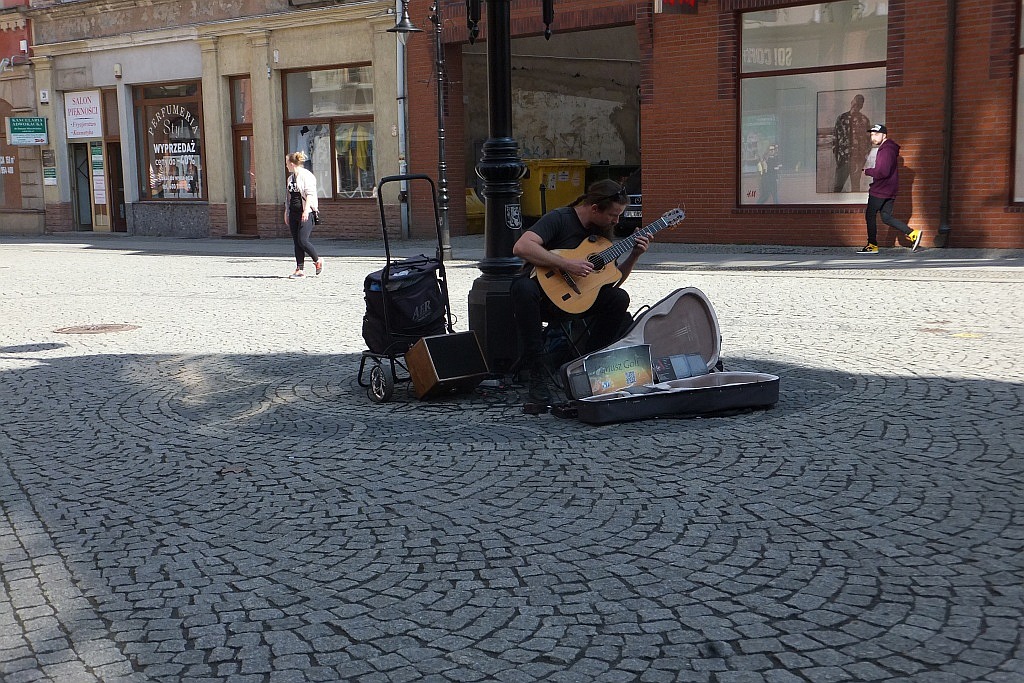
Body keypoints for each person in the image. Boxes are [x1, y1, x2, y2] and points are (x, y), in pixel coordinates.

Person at [510, 179, 651, 406]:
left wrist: (634, 256)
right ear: (594, 208)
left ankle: (590, 366)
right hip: (542, 299)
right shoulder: (559, 218)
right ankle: (537, 371)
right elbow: (522, 247)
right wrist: (566, 264)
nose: (616, 221)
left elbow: (611, 281)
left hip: (578, 300)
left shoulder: (603, 233)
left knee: (619, 299)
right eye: (613, 215)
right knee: (522, 287)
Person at [860, 123, 922, 254]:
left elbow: (883, 172)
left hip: (880, 190)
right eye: (871, 135)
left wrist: (867, 171)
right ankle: (912, 233)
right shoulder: (889, 149)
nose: (873, 137)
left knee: (870, 215)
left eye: (876, 134)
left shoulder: (886, 150)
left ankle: (872, 245)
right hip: (890, 190)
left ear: (884, 135)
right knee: (886, 217)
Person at [283, 151, 323, 278]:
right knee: (296, 242)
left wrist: (306, 211)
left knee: (302, 240)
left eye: (287, 163)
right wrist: (286, 211)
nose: (286, 166)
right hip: (293, 212)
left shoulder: (306, 176)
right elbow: (289, 196)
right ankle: (299, 269)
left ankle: (317, 260)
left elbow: (310, 194)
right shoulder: (290, 178)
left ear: (292, 164)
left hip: (306, 212)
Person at [832, 94, 871, 193]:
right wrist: (837, 158)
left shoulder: (864, 120)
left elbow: (868, 142)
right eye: (855, 101)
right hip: (843, 160)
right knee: (837, 187)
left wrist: (863, 159)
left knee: (855, 188)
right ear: (851, 102)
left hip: (857, 160)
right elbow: (835, 139)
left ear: (862, 105)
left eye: (859, 103)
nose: (856, 104)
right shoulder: (841, 118)